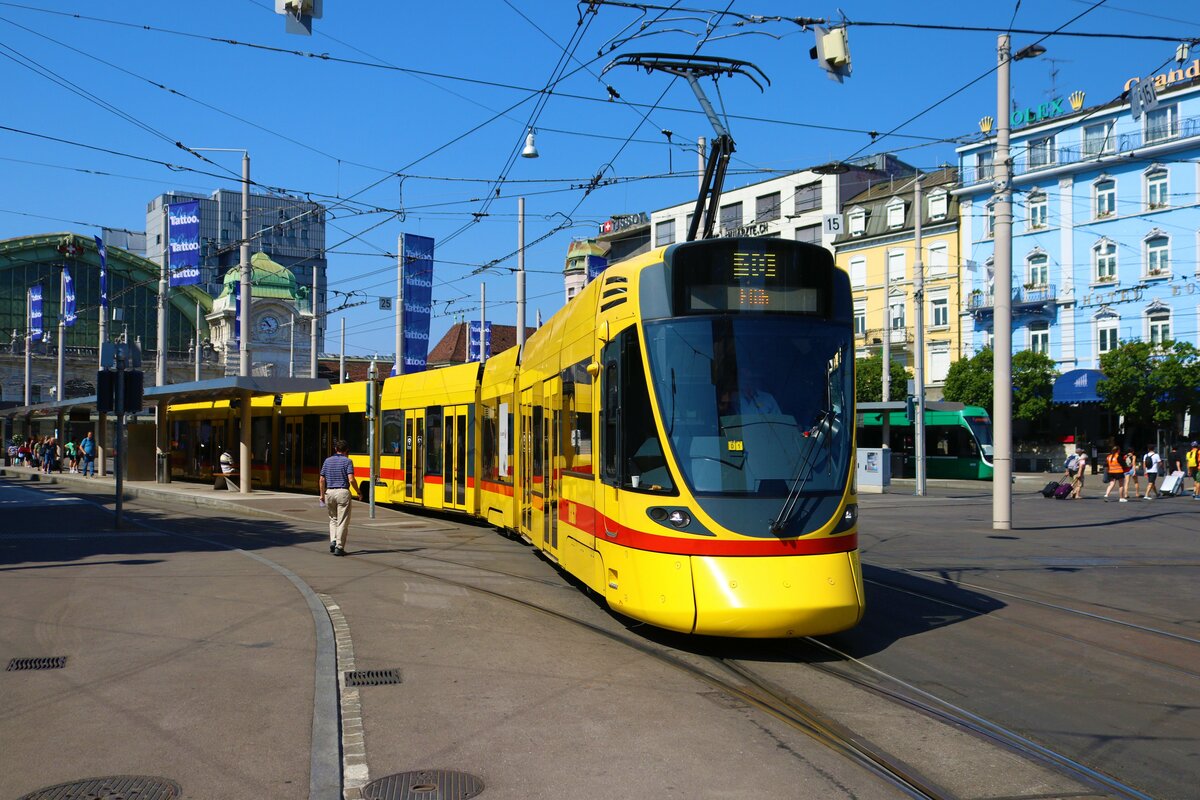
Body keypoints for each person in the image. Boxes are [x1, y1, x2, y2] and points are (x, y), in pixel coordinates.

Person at [319, 439, 359, 557]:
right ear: (346, 450)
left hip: (329, 492)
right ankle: (339, 547)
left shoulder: (327, 461)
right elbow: (351, 479)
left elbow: (322, 479)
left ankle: (333, 540)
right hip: (342, 492)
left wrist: (322, 495)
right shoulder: (348, 461)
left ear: (335, 449)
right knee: (342, 521)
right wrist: (358, 491)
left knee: (333, 519)